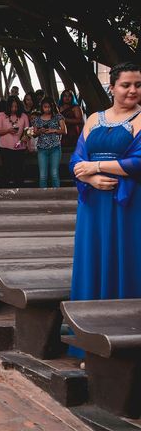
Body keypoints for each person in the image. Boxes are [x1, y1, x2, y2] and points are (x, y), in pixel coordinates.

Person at [70, 61, 141, 309]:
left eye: (138, 85)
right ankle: (86, 319)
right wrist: (89, 178)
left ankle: (126, 320)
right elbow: (76, 160)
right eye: (126, 85)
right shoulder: (93, 119)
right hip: (93, 202)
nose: (133, 90)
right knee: (93, 257)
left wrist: (97, 167)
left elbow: (138, 162)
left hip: (129, 204)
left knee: (127, 255)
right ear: (112, 88)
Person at [0, 95, 29, 186]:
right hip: (5, 148)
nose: (14, 109)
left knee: (19, 172)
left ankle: (20, 194)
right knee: (6, 172)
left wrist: (26, 136)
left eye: (16, 107)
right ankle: (4, 194)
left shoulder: (23, 116)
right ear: (8, 106)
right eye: (12, 106)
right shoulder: (1, 115)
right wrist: (8, 130)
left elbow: (29, 131)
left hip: (20, 147)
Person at [33, 97, 66, 188]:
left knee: (54, 173)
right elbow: (34, 134)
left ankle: (56, 195)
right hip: (42, 148)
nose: (47, 109)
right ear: (42, 107)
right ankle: (43, 196)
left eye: (49, 107)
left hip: (55, 147)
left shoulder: (58, 117)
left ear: (52, 107)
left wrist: (53, 130)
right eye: (45, 107)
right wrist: (40, 131)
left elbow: (64, 131)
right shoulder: (37, 119)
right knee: (43, 175)